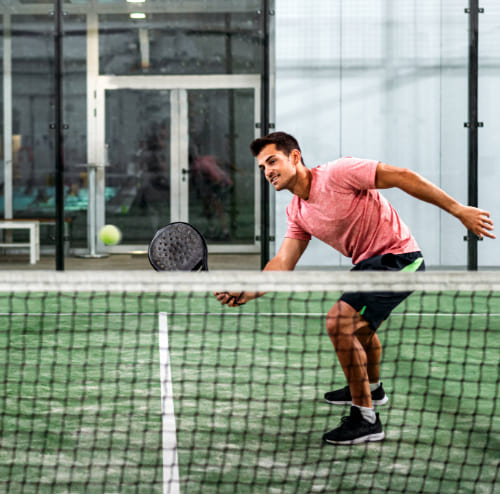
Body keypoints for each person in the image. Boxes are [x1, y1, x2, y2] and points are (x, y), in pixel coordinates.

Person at [214, 131, 495, 445]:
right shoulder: (297, 211)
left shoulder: (338, 173)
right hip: (367, 267)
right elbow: (283, 262)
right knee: (361, 330)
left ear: (295, 157)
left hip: (399, 259)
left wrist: (458, 210)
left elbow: (402, 176)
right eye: (262, 167)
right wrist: (247, 290)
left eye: (272, 161)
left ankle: (366, 418)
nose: (267, 172)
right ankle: (371, 388)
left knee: (339, 322)